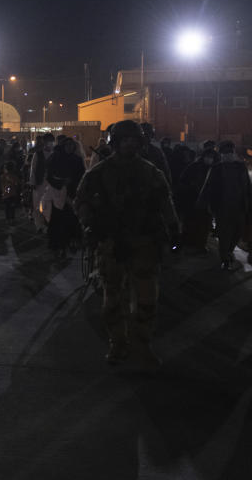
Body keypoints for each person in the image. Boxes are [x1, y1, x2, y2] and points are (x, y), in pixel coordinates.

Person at [76, 120, 180, 371]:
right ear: (115, 143)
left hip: (144, 244)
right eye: (125, 140)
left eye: (134, 140)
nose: (130, 144)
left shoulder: (151, 172)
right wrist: (91, 225)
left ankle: (142, 346)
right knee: (112, 300)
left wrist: (173, 231)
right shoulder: (98, 174)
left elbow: (166, 204)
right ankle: (118, 343)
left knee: (147, 300)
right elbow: (81, 202)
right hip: (111, 245)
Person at [197, 140, 252, 270]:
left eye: (230, 152)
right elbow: (207, 187)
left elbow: (248, 187)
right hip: (222, 209)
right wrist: (202, 205)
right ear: (221, 153)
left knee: (237, 233)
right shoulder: (216, 169)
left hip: (240, 208)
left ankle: (229, 252)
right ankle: (225, 258)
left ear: (233, 152)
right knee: (224, 235)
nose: (228, 154)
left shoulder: (241, 167)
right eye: (225, 152)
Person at [42, 137, 85, 257]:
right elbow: (50, 176)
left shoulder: (77, 159)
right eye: (68, 145)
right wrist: (61, 183)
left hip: (72, 194)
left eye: (72, 145)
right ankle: (59, 246)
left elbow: (82, 176)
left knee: (71, 221)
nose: (70, 147)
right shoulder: (56, 158)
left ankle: (70, 243)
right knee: (58, 222)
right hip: (58, 194)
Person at [175, 148, 216, 252]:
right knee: (190, 223)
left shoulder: (214, 169)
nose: (209, 159)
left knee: (204, 225)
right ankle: (187, 243)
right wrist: (191, 186)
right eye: (208, 156)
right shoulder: (193, 167)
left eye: (211, 157)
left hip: (206, 203)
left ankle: (201, 244)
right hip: (191, 200)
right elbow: (182, 181)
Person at [29, 134, 56, 232]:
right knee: (37, 204)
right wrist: (33, 182)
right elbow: (33, 169)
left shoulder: (55, 154)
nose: (49, 143)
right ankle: (39, 225)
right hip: (39, 183)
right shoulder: (38, 154)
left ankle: (48, 223)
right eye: (47, 141)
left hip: (51, 183)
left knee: (49, 204)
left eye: (51, 141)